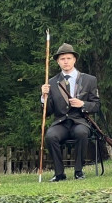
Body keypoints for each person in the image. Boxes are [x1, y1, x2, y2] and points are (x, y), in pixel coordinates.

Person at [41, 43, 100, 182]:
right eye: (62, 59)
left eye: (68, 58)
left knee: (81, 133)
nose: (66, 61)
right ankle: (59, 173)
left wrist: (82, 104)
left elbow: (97, 106)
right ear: (58, 62)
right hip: (61, 122)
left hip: (80, 122)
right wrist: (44, 97)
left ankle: (79, 171)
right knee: (50, 136)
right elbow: (47, 112)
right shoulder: (51, 83)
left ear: (74, 60)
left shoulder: (89, 80)